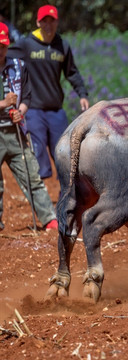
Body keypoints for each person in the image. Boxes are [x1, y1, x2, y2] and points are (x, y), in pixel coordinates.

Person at [7, 5, 89, 180]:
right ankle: (41, 199)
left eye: (52, 21)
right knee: (40, 161)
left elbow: (72, 72)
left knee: (64, 155)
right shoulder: (26, 45)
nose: (48, 25)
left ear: (57, 22)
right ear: (38, 22)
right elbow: (4, 55)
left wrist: (82, 94)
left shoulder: (62, 46)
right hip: (33, 110)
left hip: (56, 111)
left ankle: (66, 201)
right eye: (44, 21)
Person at [0, 22, 57, 230]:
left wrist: (20, 112)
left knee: (31, 174)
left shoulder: (18, 66)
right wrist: (4, 104)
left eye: (3, 46)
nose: (0, 51)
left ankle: (49, 218)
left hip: (15, 132)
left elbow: (27, 96)